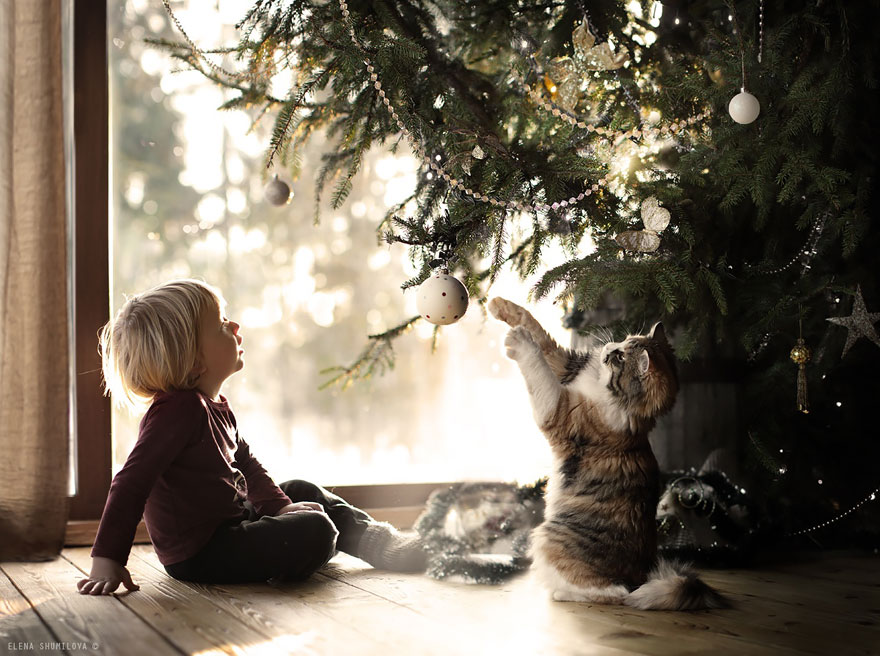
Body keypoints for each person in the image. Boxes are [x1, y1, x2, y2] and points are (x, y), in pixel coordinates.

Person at [76, 278, 426, 595]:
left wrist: (283, 508)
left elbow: (246, 464)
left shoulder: (215, 406)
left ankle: (381, 543)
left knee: (301, 489)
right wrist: (107, 558)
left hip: (233, 523)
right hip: (202, 552)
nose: (234, 326)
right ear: (194, 360)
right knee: (315, 529)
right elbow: (130, 482)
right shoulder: (177, 411)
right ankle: (306, 547)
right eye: (220, 325)